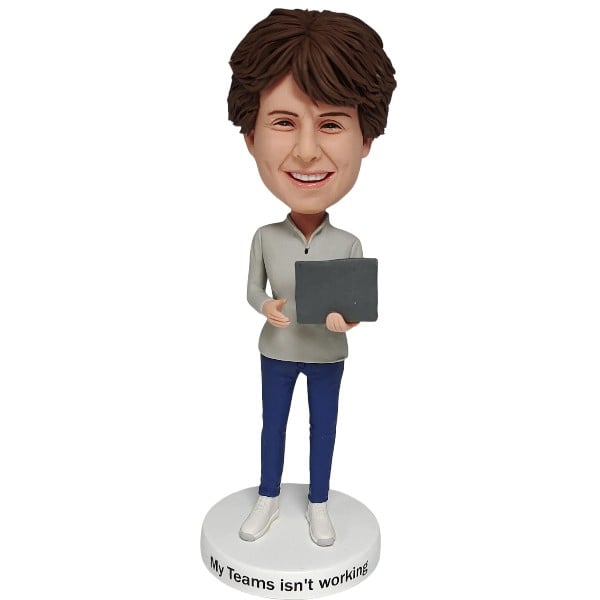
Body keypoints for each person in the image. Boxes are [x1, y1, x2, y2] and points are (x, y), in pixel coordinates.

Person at [227, 8, 396, 546]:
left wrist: (347, 322)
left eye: (331, 124)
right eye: (283, 122)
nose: (305, 151)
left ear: (365, 139)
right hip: (276, 350)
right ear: (250, 136)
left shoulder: (348, 244)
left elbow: (356, 306)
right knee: (272, 425)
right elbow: (252, 288)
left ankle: (319, 503)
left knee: (324, 428)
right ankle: (268, 498)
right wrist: (264, 307)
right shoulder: (264, 236)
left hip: (327, 355)